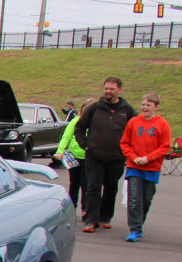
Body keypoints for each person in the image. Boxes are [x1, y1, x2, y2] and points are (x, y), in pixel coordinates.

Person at [75, 76, 137, 232]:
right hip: (95, 155)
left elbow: (136, 130)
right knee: (93, 187)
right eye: (106, 88)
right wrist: (86, 145)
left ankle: (105, 217)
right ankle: (91, 220)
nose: (108, 91)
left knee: (111, 187)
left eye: (112, 89)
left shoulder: (127, 110)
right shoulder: (94, 108)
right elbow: (79, 128)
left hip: (116, 157)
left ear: (119, 90)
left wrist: (128, 150)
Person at [119, 93, 171, 242]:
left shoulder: (162, 123)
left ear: (156, 107)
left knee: (146, 198)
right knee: (134, 198)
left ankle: (139, 222)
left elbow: (164, 146)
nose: (145, 107)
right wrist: (134, 157)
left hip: (152, 167)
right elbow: (125, 143)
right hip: (134, 166)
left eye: (148, 105)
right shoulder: (133, 122)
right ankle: (134, 229)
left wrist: (148, 158)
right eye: (143, 104)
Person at [52, 97, 95, 218]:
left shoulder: (96, 123)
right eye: (86, 109)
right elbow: (66, 136)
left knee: (86, 183)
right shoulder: (76, 121)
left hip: (89, 158)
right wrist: (60, 151)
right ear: (82, 109)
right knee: (74, 183)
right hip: (73, 156)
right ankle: (71, 207)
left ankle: (86, 209)